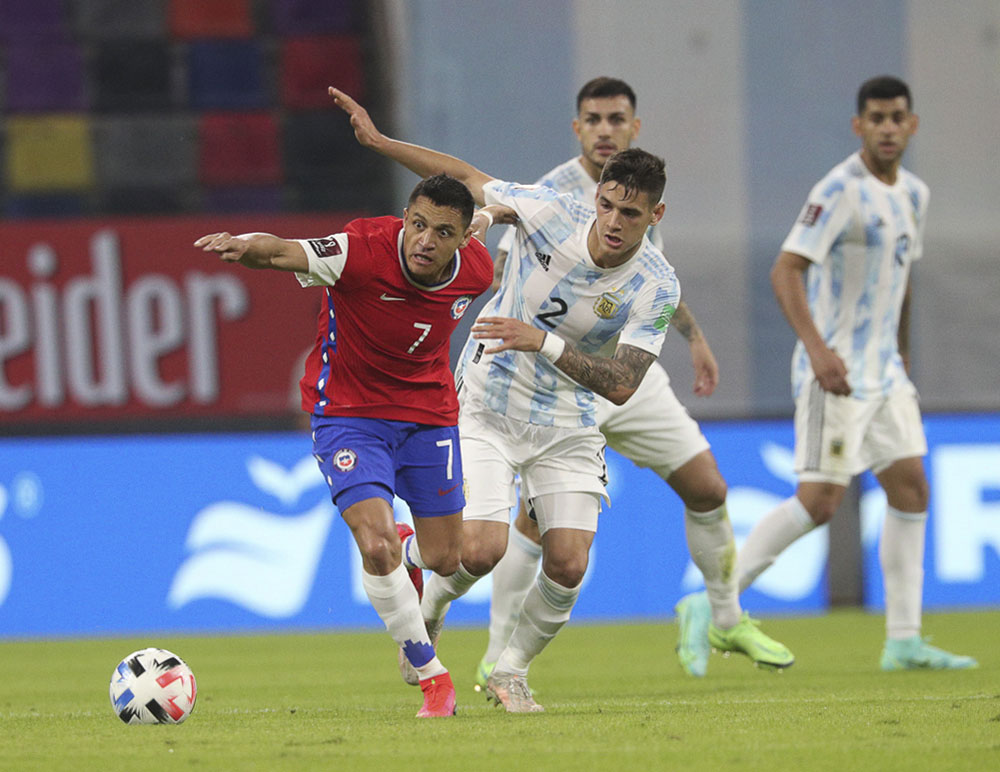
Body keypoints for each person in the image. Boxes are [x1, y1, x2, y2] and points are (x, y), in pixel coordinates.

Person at [330, 86, 787, 713]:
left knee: (569, 564)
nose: (614, 222)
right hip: (489, 399)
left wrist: (542, 341)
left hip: (568, 418)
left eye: (632, 213)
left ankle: (509, 671)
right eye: (608, 205)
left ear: (655, 215)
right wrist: (382, 143)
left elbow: (623, 383)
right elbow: (464, 177)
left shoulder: (656, 284)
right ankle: (430, 600)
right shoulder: (551, 209)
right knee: (478, 551)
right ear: (596, 197)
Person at [479, 76, 793, 685]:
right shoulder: (554, 194)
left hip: (628, 372)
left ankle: (724, 616)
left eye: (616, 118)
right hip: (563, 382)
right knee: (534, 522)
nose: (605, 130)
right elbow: (506, 271)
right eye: (593, 119)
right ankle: (496, 650)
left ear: (634, 127)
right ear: (577, 128)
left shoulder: (641, 192)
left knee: (708, 488)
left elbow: (653, 276)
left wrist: (694, 336)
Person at [676, 75, 977, 673]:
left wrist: (901, 350)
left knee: (912, 489)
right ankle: (709, 603)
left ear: (912, 125)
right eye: (876, 118)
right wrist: (817, 351)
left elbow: (902, 280)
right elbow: (785, 270)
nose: (887, 128)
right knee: (818, 502)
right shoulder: (839, 190)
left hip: (885, 373)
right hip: (834, 370)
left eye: (897, 118)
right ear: (858, 126)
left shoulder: (914, 194)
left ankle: (903, 641)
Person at [194, 172, 507, 717]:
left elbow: (479, 223)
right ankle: (433, 678)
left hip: (429, 416)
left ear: (461, 240)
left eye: (442, 232)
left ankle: (412, 552)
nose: (425, 240)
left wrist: (493, 213)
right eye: (417, 224)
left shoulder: (476, 269)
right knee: (375, 545)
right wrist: (245, 246)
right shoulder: (359, 251)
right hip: (349, 414)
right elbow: (283, 251)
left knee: (446, 557)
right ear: (404, 218)